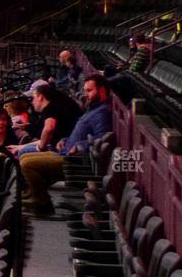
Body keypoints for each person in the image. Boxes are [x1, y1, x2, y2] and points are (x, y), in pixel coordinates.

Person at [16, 74, 115, 216]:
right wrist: (65, 140)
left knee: (27, 164)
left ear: (102, 90)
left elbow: (102, 138)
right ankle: (34, 195)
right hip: (65, 150)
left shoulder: (102, 113)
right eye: (85, 90)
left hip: (74, 160)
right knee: (24, 158)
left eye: (89, 90)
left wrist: (80, 145)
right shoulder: (93, 109)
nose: (86, 94)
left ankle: (43, 204)